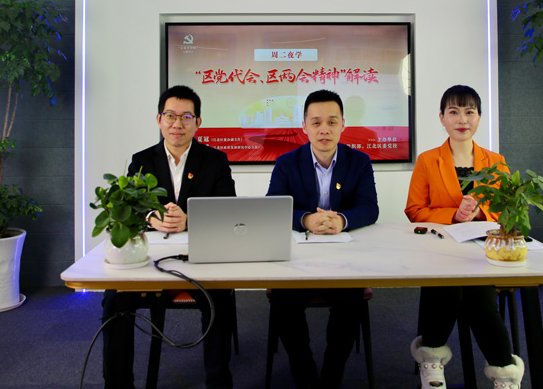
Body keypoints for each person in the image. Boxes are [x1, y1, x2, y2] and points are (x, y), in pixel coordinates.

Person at [101, 85, 236, 389]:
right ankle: (118, 384)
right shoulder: (141, 161)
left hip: (199, 255)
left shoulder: (215, 160)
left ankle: (218, 383)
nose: (178, 124)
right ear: (159, 119)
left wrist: (190, 219)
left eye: (186, 117)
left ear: (197, 122)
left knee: (220, 298)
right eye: (170, 116)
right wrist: (152, 216)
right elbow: (127, 208)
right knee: (115, 299)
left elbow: (228, 208)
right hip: (150, 256)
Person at [404, 85, 525, 389]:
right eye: (454, 112)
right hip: (439, 250)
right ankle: (434, 363)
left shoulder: (496, 161)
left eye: (469, 111)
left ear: (479, 117)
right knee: (450, 288)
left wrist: (481, 212)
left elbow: (508, 212)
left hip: (482, 252)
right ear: (442, 118)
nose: (462, 119)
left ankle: (503, 373)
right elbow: (414, 210)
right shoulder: (428, 160)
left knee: (476, 296)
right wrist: (453, 216)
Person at [266, 89, 379, 389]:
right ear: (304, 126)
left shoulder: (359, 161)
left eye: (331, 121)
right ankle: (305, 375)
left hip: (344, 258)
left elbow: (370, 208)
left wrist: (342, 220)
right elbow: (273, 206)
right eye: (316, 123)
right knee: (283, 301)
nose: (324, 130)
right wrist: (306, 219)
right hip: (298, 259)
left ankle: (331, 376)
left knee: (351, 300)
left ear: (343, 124)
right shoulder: (286, 162)